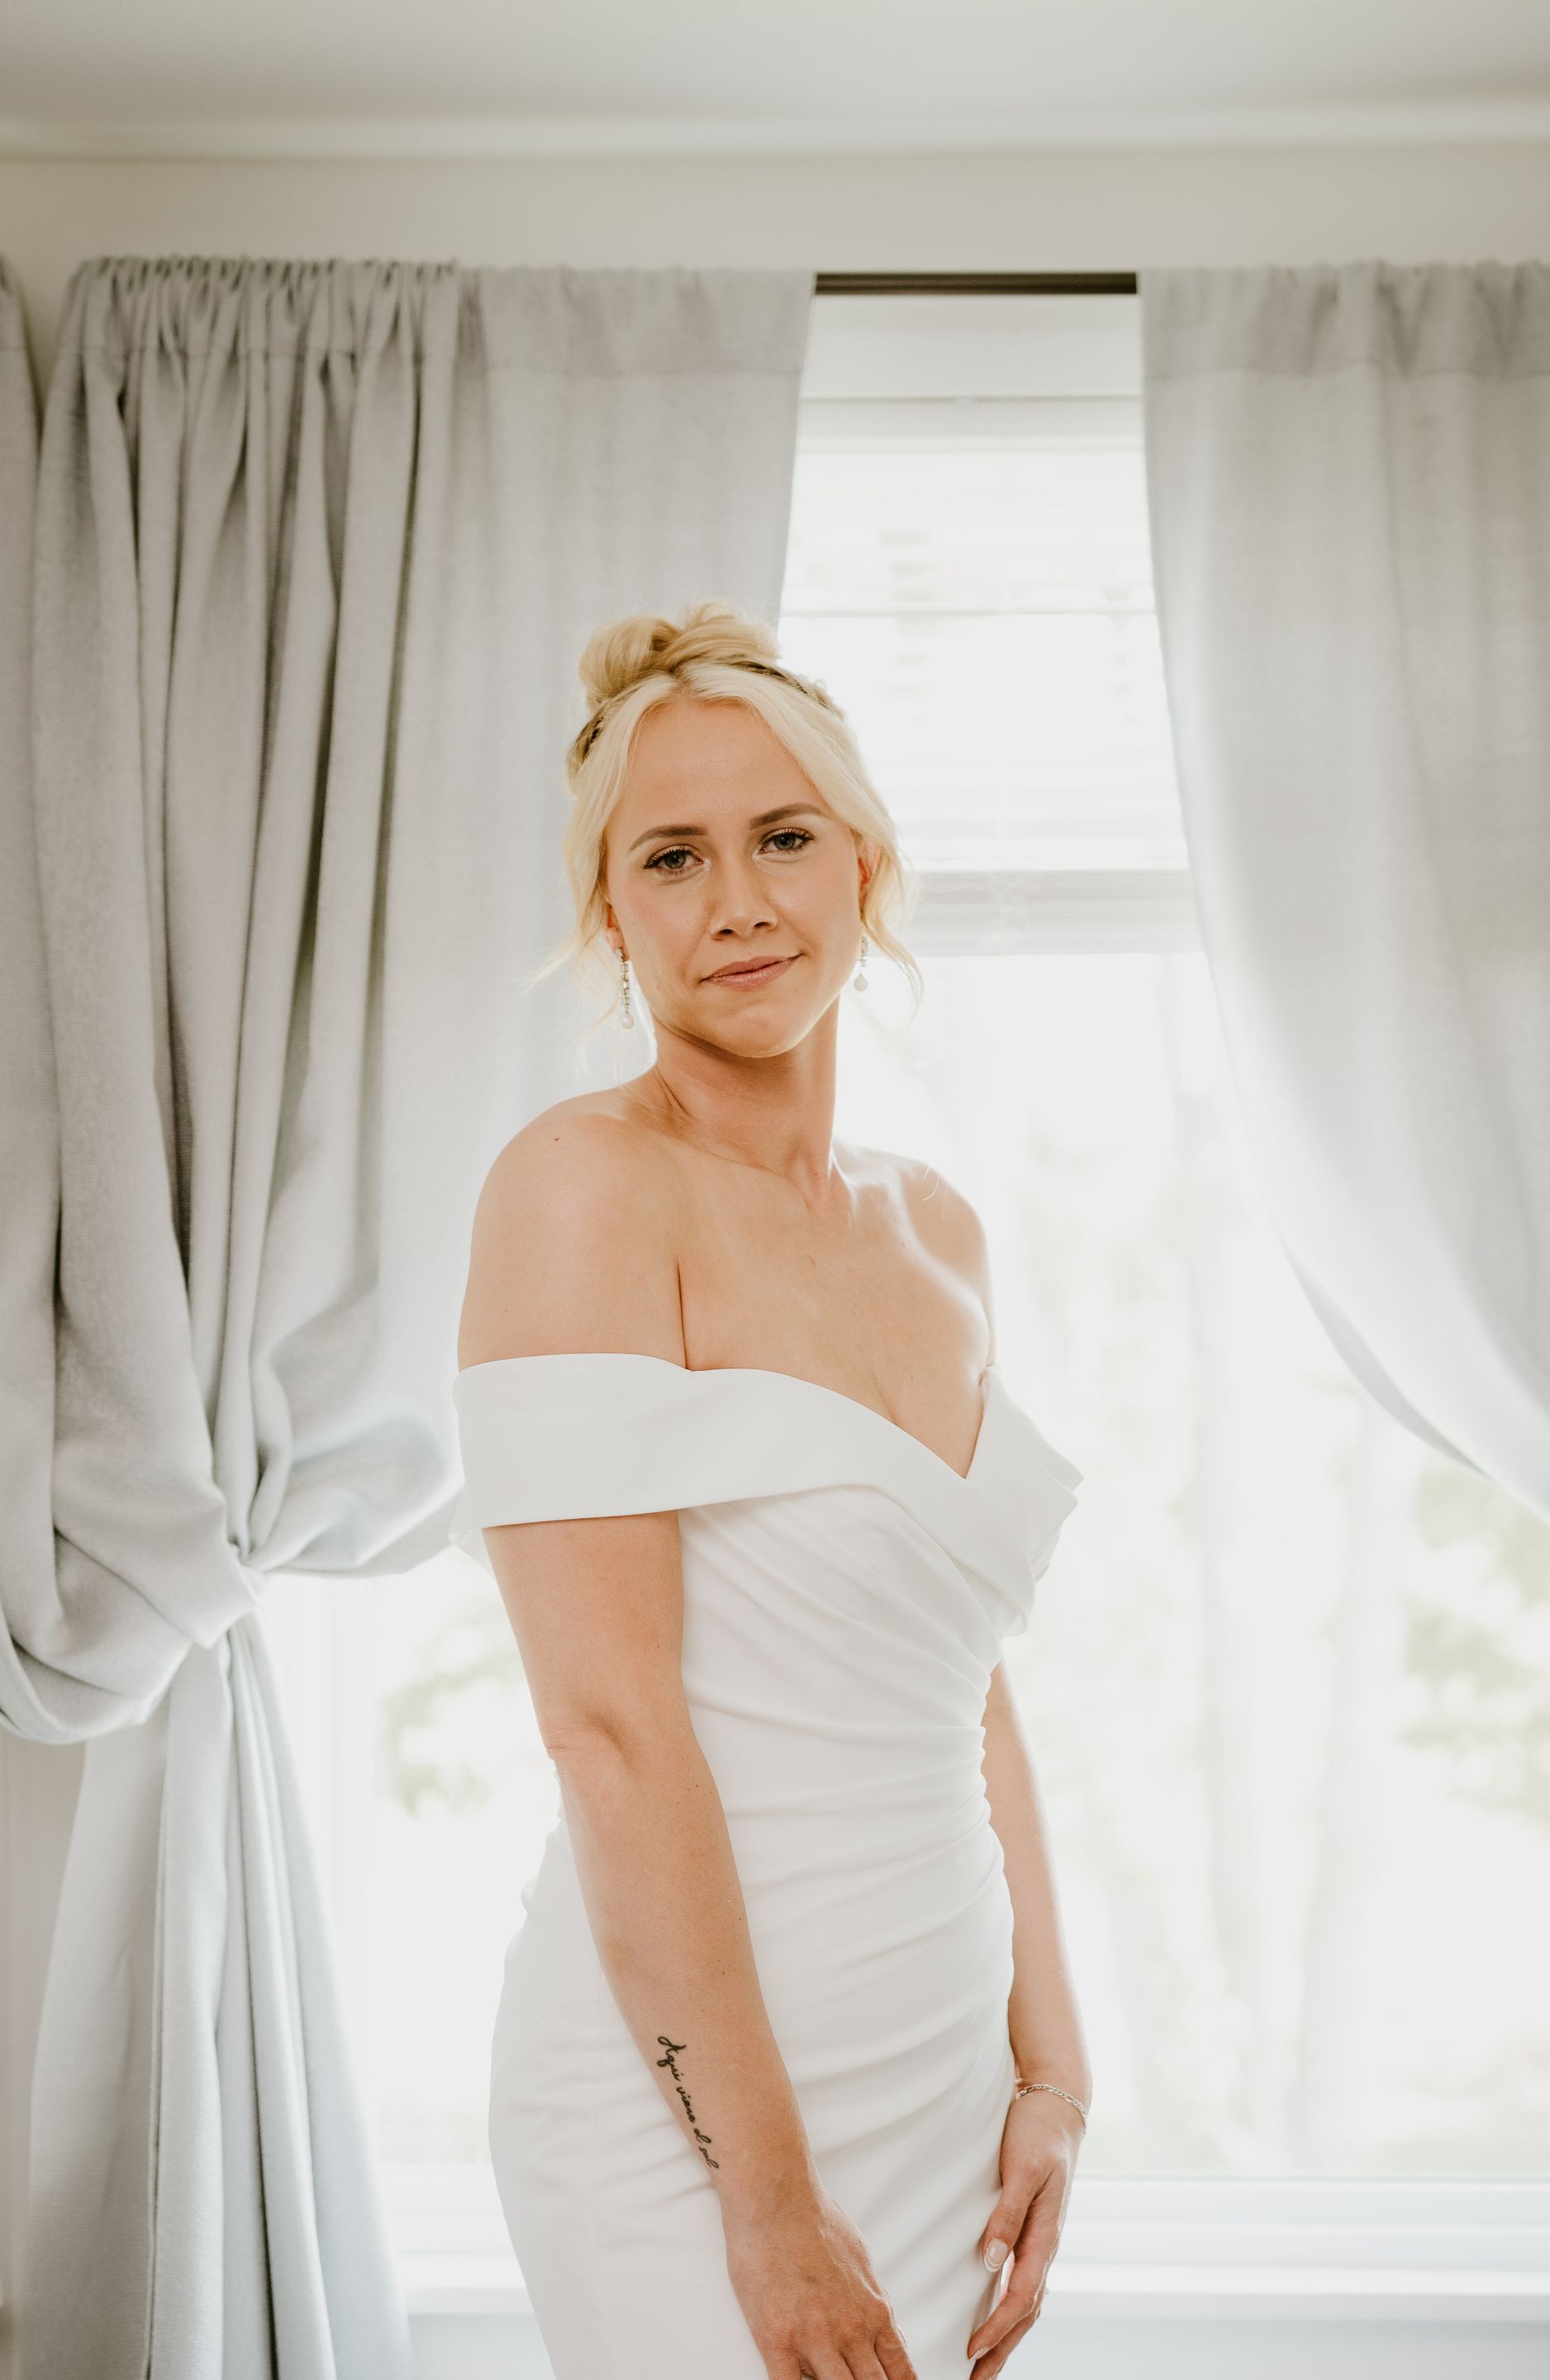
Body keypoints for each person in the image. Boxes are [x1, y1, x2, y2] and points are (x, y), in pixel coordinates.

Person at [450, 600, 1092, 2380]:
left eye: (783, 838)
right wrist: (770, 2204)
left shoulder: (938, 1227)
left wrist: (1054, 2066)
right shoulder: (580, 1192)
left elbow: (969, 1688)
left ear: (866, 868)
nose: (737, 899)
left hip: (947, 2067)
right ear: (612, 914)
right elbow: (606, 1730)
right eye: (673, 856)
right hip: (696, 2131)